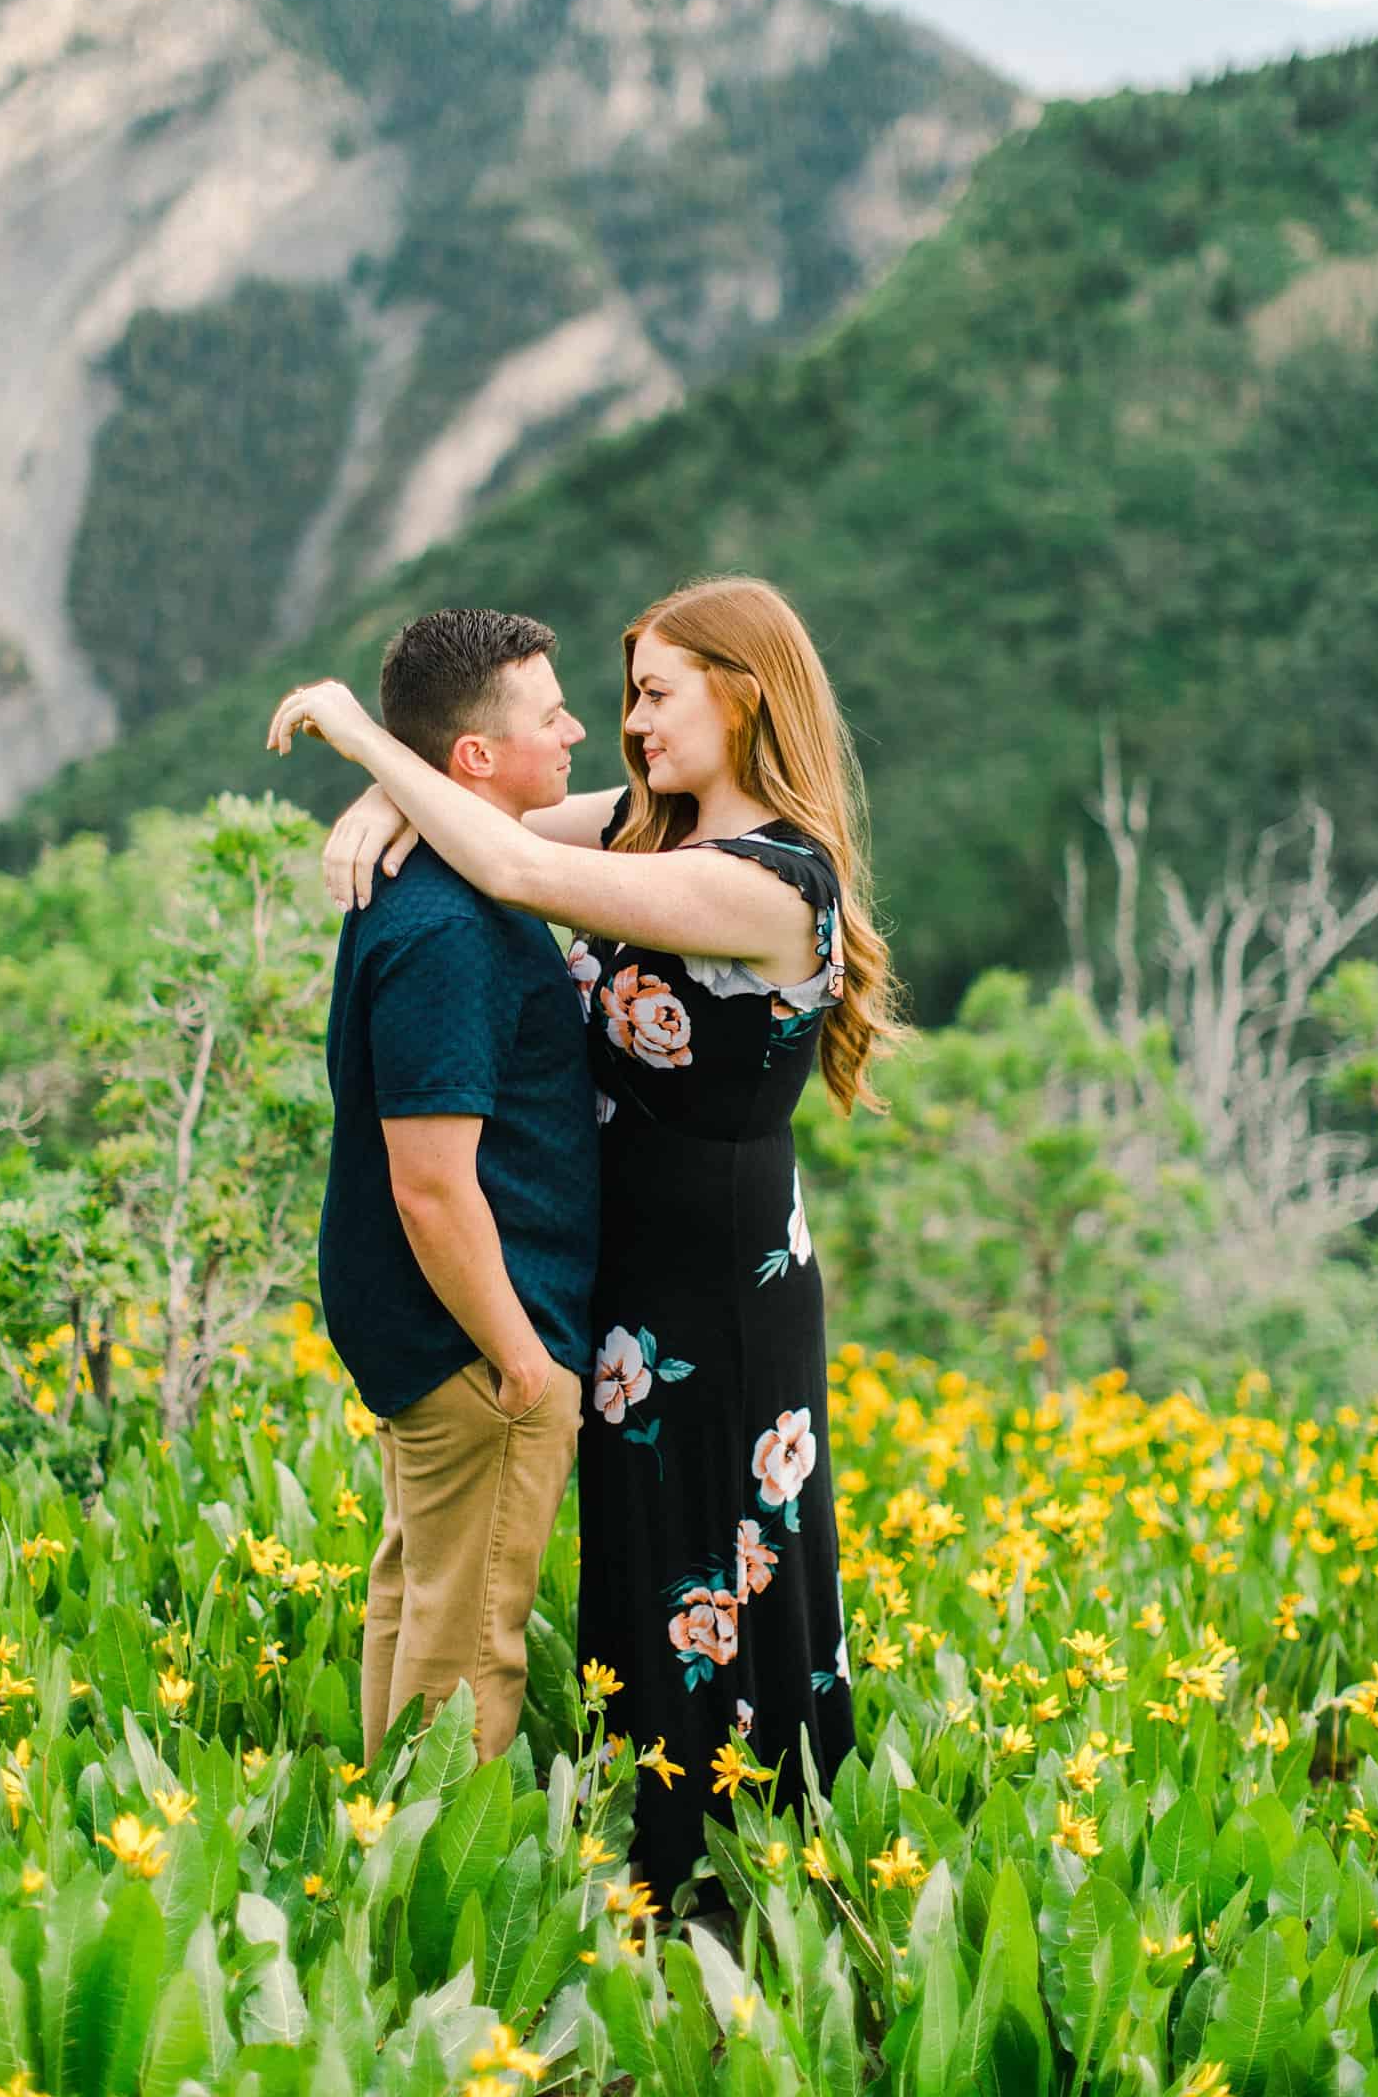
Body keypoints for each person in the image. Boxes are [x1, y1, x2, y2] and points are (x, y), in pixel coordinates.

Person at [271, 576, 902, 1905]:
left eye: (657, 693)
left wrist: (356, 737)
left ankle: (729, 1889)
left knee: (721, 1566)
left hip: (719, 1282)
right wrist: (408, 788)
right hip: (616, 1282)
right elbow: (486, 804)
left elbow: (503, 859)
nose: (627, 723)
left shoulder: (773, 884)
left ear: (744, 697)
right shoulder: (645, 824)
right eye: (624, 694)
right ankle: (644, 1871)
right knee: (640, 1580)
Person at [316, 606, 600, 1769]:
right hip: (476, 1339)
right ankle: (427, 1918)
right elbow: (431, 1184)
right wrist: (524, 1363)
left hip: (431, 1329)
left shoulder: (437, 873)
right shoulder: (451, 929)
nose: (578, 727)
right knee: (472, 1644)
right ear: (474, 757)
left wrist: (390, 781)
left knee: (419, 1604)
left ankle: (376, 1873)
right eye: (550, 714)